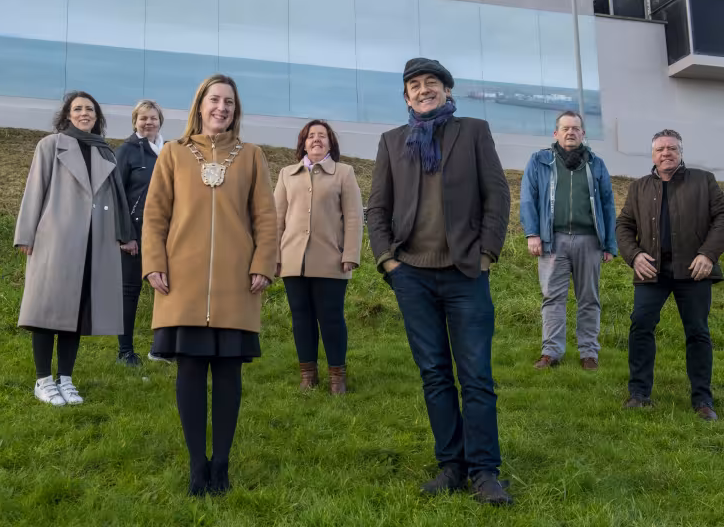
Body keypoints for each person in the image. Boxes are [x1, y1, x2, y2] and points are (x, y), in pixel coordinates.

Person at [366, 58, 513, 504]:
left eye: (432, 82)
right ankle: (451, 465)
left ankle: (485, 471)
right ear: (406, 96)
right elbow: (377, 208)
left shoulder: (473, 131)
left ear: (448, 91)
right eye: (415, 84)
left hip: (466, 272)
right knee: (434, 374)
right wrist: (388, 261)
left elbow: (497, 193)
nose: (424, 89)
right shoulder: (392, 141)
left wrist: (487, 253)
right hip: (412, 274)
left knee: (476, 376)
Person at [141, 74, 277, 495]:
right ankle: (197, 465)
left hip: (237, 283)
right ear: (200, 105)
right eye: (215, 100)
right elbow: (155, 215)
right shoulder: (174, 154)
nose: (222, 108)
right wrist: (153, 263)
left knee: (228, 375)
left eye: (229, 103)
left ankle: (222, 464)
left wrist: (263, 263)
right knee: (191, 371)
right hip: (181, 280)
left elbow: (266, 219)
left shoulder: (251, 155)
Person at [15, 91, 136, 406]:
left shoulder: (105, 152)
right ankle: (43, 380)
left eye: (90, 109)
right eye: (78, 108)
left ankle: (65, 379)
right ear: (68, 115)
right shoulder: (51, 145)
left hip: (94, 243)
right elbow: (35, 189)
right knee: (47, 310)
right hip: (55, 239)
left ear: (97, 116)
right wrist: (26, 236)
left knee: (77, 313)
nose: (85, 113)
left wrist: (125, 235)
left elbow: (118, 199)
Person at [616, 129, 724, 421]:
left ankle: (703, 400)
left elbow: (721, 218)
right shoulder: (638, 188)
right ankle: (639, 394)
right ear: (652, 154)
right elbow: (623, 226)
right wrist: (634, 255)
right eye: (661, 148)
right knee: (640, 326)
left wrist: (708, 254)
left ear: (681, 152)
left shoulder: (704, 180)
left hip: (694, 271)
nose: (666, 153)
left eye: (672, 148)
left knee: (698, 332)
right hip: (653, 271)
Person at [520, 111, 617, 371]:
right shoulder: (539, 160)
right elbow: (528, 198)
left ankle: (589, 353)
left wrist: (610, 243)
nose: (570, 132)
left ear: (583, 134)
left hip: (590, 241)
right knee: (553, 298)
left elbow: (608, 204)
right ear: (556, 133)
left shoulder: (596, 163)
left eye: (575, 128)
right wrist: (532, 234)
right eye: (565, 128)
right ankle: (551, 352)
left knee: (589, 299)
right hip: (553, 240)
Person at [274, 120, 363, 394]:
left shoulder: (344, 173)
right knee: (301, 318)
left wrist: (350, 253)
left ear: (330, 143)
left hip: (331, 260)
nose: (316, 139)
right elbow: (276, 219)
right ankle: (308, 375)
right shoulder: (287, 174)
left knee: (331, 317)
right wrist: (274, 257)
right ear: (303, 142)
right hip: (292, 261)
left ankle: (337, 376)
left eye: (322, 136)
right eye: (311, 136)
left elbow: (354, 217)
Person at [114, 99, 169, 367]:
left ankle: (161, 348)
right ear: (135, 121)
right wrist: (126, 236)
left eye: (153, 118)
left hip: (167, 235)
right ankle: (125, 351)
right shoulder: (127, 150)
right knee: (130, 292)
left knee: (167, 289)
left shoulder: (170, 150)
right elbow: (116, 195)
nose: (149, 122)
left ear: (161, 121)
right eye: (143, 118)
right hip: (135, 235)